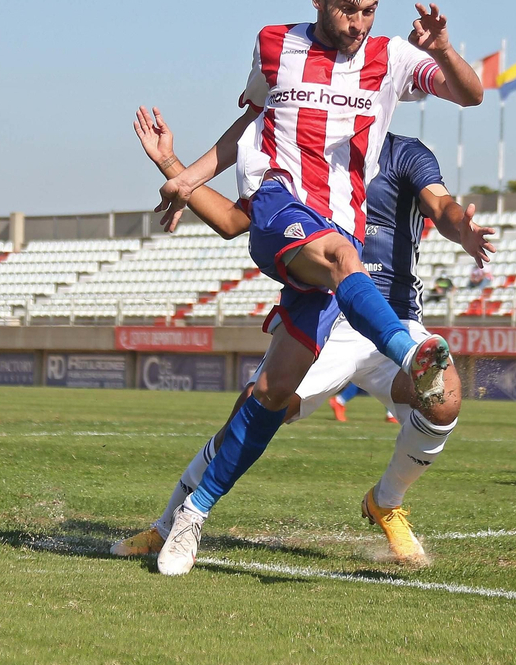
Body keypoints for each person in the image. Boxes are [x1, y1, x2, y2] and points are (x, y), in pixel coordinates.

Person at [149, 0, 484, 576]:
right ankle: (408, 351)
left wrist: (442, 49)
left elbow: (472, 95)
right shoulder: (273, 45)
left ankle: (189, 514)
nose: (358, 23)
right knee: (340, 254)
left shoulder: (390, 59)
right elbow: (251, 119)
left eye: (370, 11)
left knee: (271, 395)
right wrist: (187, 175)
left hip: (334, 255)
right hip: (278, 207)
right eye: (347, 10)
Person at [115, 106, 490, 567]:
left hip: (393, 317)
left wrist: (462, 227)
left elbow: (442, 206)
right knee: (252, 409)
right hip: (326, 316)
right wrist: (171, 165)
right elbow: (234, 220)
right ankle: (168, 526)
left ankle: (386, 502)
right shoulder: (303, 153)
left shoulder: (405, 154)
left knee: (444, 399)